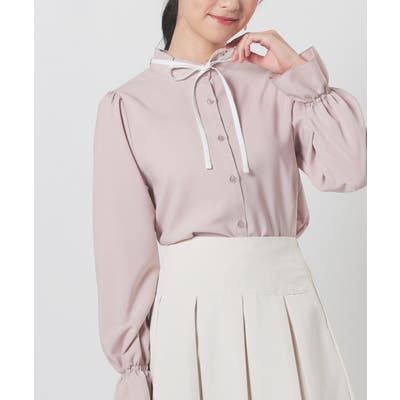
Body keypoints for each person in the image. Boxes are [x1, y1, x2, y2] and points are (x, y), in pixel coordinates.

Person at [92, 0, 367, 399]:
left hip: (288, 311)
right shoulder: (128, 107)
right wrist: (136, 373)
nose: (232, 4)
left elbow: (352, 167)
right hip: (191, 325)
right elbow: (123, 257)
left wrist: (298, 73)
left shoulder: (279, 84)